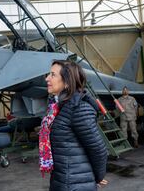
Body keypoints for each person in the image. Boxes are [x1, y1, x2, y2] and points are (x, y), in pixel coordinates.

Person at [40, 60, 107, 191]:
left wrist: (97, 177)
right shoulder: (56, 108)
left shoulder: (78, 108)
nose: (47, 78)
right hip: (62, 180)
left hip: (74, 184)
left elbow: (98, 149)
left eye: (53, 75)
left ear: (66, 82)